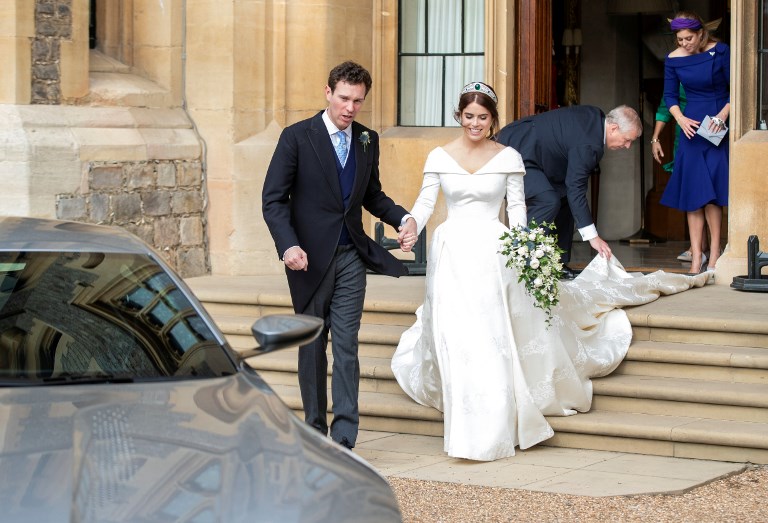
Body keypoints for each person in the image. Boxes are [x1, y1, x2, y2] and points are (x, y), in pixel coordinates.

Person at [392, 82, 709, 462]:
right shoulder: (439, 156)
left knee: (489, 335)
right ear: (460, 116)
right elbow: (425, 203)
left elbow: (518, 209)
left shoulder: (509, 157)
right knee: (457, 333)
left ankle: (490, 424)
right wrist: (410, 224)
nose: (475, 123)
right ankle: (463, 416)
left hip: (493, 252)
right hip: (451, 253)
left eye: (483, 117)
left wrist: (528, 248)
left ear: (493, 120)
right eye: (469, 116)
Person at [262, 61, 417, 450]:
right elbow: (273, 200)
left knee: (347, 344)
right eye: (344, 98)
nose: (350, 108)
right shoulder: (297, 137)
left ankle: (344, 435)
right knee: (312, 344)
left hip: (351, 257)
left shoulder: (368, 139)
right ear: (328, 92)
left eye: (358, 101)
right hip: (308, 261)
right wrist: (288, 245)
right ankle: (314, 431)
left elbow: (372, 196)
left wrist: (404, 218)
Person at [496, 105, 642, 277]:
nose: (627, 146)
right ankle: (526, 260)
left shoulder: (596, 116)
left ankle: (558, 263)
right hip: (514, 150)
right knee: (548, 201)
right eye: (626, 140)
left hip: (535, 155)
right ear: (613, 128)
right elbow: (577, 188)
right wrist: (592, 237)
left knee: (564, 197)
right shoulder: (589, 145)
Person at [659, 11, 729, 274]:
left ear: (701, 33)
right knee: (693, 195)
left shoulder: (721, 51)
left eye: (689, 38)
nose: (684, 43)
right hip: (690, 128)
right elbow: (669, 95)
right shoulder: (673, 60)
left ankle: (714, 257)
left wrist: (722, 116)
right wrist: (680, 119)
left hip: (717, 124)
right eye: (679, 39)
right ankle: (697, 256)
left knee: (712, 195)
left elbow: (737, 88)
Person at [651, 85, 710, 266]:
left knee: (709, 189)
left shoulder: (711, 63)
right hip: (686, 136)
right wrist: (655, 138)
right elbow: (665, 106)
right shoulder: (677, 71)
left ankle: (710, 247)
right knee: (692, 190)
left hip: (711, 131)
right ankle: (698, 247)